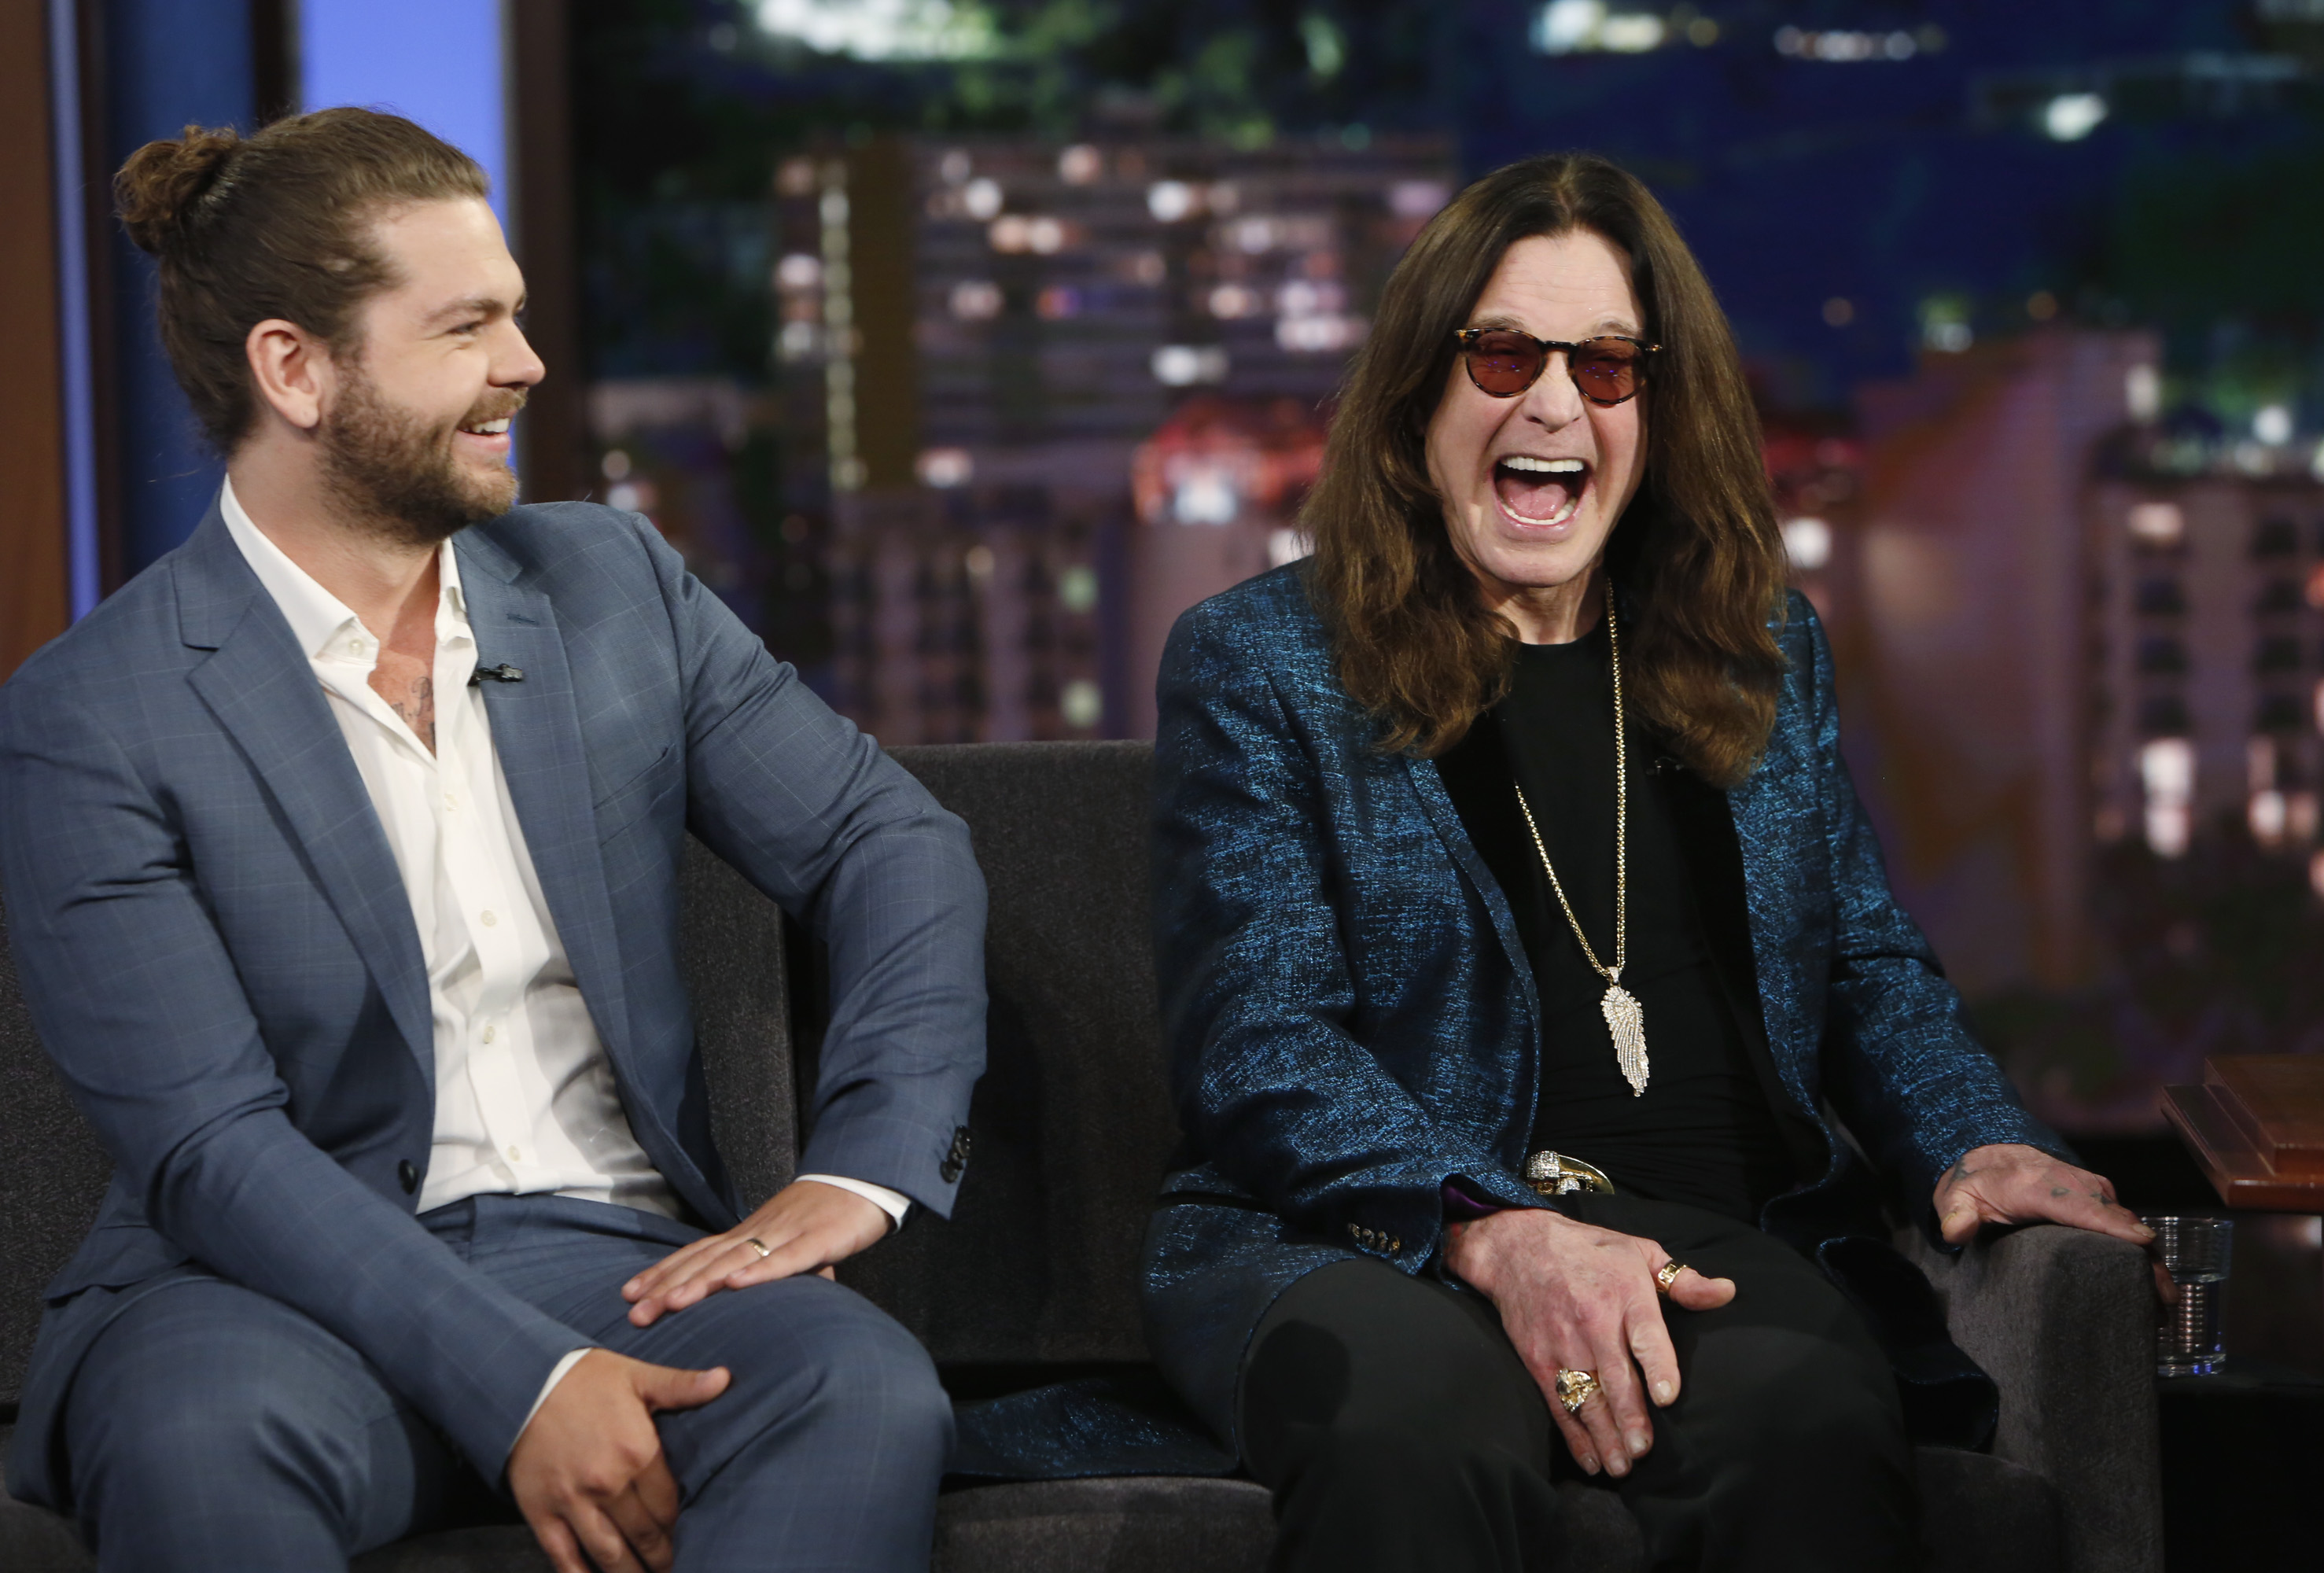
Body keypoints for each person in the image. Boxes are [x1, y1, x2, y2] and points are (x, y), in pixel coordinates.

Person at [0, 109, 985, 1573]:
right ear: (297, 370)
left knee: (859, 1386)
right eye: (468, 327)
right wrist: (526, 1387)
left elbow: (884, 838)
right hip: (257, 1291)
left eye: (516, 316)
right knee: (199, 1443)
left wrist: (863, 1167)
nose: (525, 367)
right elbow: (209, 1150)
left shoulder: (610, 584)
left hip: (617, 1260)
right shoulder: (92, 712)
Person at [1141, 151, 2154, 1573]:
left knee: (1804, 1417)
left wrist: (1974, 1138)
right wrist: (1498, 1232)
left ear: (1657, 410)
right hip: (1369, 1240)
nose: (1554, 401)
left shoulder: (1761, 651)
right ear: (1421, 394)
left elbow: (1861, 958)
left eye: (1607, 367)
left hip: (1712, 1241)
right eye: (1503, 354)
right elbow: (1256, 1040)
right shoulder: (1265, 662)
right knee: (1407, 1428)